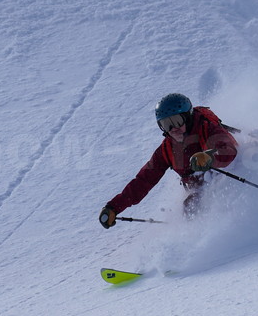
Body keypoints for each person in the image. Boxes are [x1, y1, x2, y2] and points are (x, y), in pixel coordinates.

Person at [99, 93, 238, 228]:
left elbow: (229, 149)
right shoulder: (167, 149)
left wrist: (210, 156)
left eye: (177, 121)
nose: (173, 129)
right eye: (166, 124)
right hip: (202, 190)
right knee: (190, 206)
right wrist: (114, 207)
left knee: (202, 202)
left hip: (230, 178)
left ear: (187, 117)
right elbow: (144, 180)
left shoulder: (207, 128)